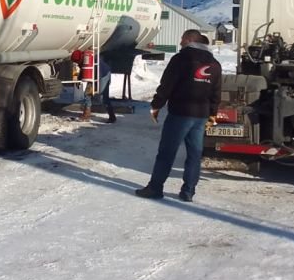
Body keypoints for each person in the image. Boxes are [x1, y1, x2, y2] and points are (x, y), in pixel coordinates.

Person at [135, 29, 221, 202]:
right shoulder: (215, 64)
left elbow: (167, 85)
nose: (180, 42)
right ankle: (188, 191)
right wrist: (212, 113)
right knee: (194, 154)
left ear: (189, 40)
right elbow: (216, 92)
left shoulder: (181, 59)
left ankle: (155, 188)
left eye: (182, 38)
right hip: (201, 116)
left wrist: (156, 105)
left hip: (181, 113)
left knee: (167, 152)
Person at [72, 51, 116, 123]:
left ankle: (112, 117)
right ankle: (86, 115)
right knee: (87, 94)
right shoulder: (84, 59)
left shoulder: (90, 60)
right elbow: (82, 69)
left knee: (103, 96)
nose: (77, 63)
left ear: (80, 58)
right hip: (94, 75)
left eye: (77, 61)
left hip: (103, 75)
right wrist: (79, 80)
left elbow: (98, 73)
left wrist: (96, 85)